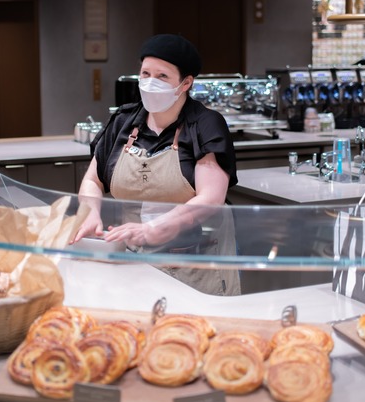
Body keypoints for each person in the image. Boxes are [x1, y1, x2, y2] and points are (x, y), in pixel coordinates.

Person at [71, 34, 241, 296]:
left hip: (194, 264)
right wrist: (90, 212)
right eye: (146, 73)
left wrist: (155, 229)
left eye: (162, 76)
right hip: (134, 261)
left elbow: (211, 198)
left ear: (185, 83)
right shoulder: (123, 122)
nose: (151, 83)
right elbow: (93, 180)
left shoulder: (205, 125)